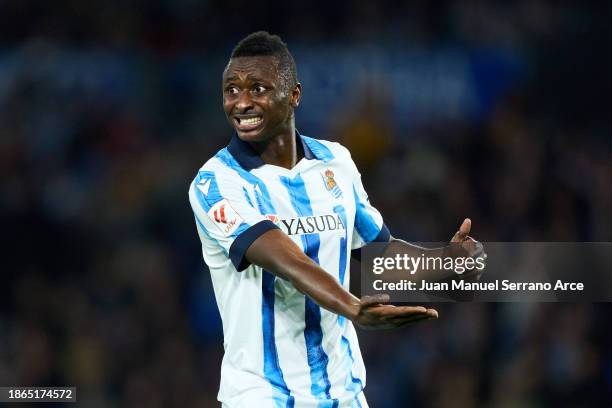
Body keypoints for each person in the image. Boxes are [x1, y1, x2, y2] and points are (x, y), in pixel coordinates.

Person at [188, 31, 483, 408]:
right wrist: (350, 305)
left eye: (257, 88)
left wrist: (443, 263)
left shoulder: (336, 163)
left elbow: (379, 253)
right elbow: (282, 255)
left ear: (294, 95)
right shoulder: (216, 181)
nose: (241, 102)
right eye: (231, 90)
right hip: (262, 396)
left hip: (344, 395)